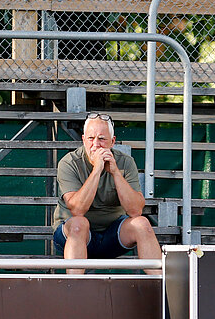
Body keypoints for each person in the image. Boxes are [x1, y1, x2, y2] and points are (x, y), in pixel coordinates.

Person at [53, 112, 162, 272]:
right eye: (90, 139)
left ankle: (160, 286)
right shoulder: (69, 163)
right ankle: (74, 289)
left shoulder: (125, 162)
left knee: (142, 224)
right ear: (83, 140)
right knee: (79, 224)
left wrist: (116, 173)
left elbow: (135, 210)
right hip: (74, 235)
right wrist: (97, 170)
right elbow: (77, 210)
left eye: (102, 139)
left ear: (112, 142)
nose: (95, 144)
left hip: (113, 236)